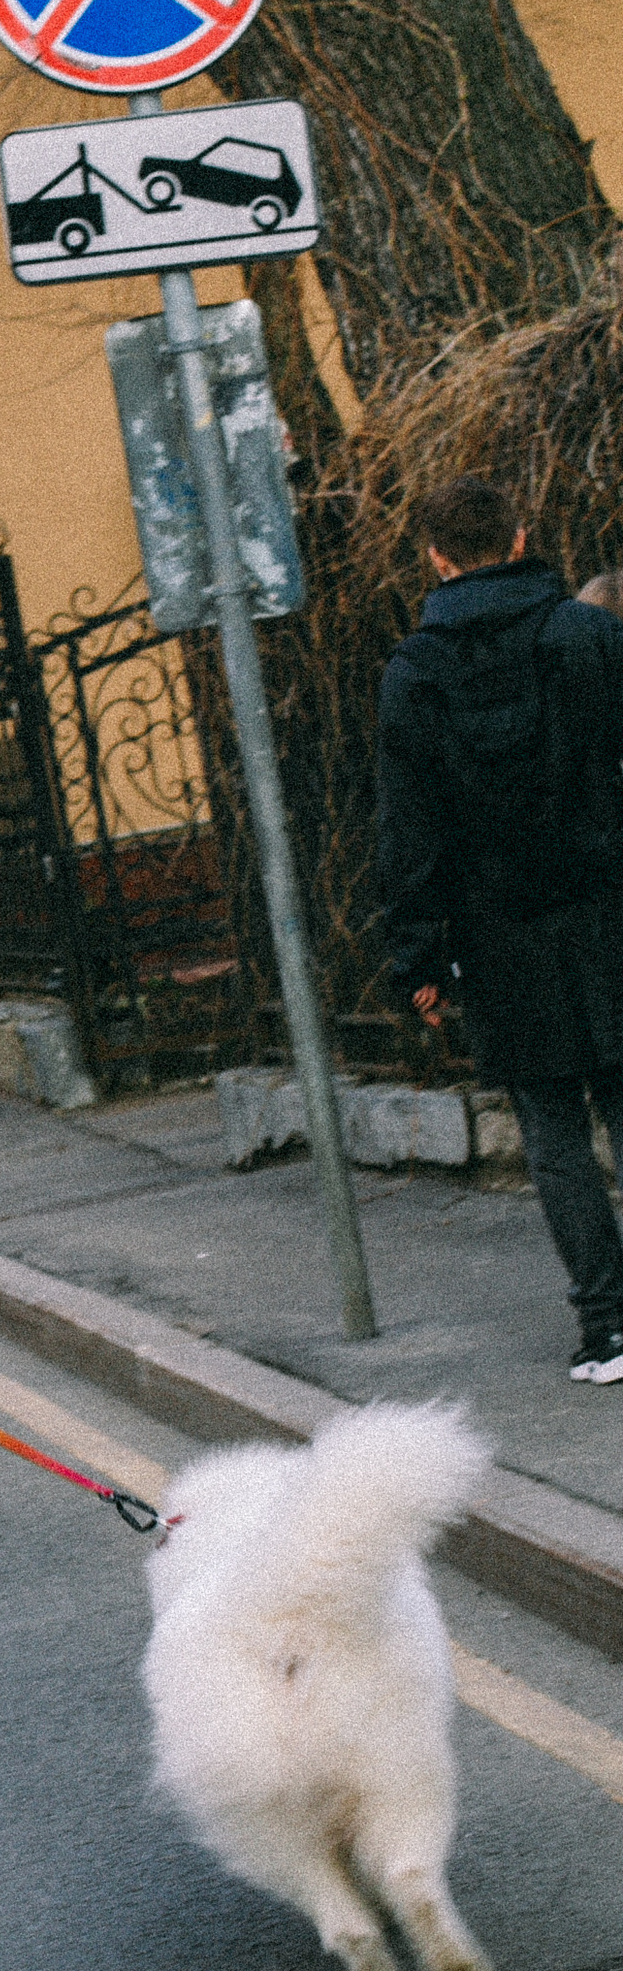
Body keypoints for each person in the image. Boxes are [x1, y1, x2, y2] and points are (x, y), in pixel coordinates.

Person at [378, 474, 623, 1382]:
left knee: (554, 1134)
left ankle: (609, 1328)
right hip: (609, 907)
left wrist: (418, 956)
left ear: (436, 557)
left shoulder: (414, 673)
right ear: (520, 538)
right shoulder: (590, 636)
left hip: (499, 933)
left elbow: (409, 828)